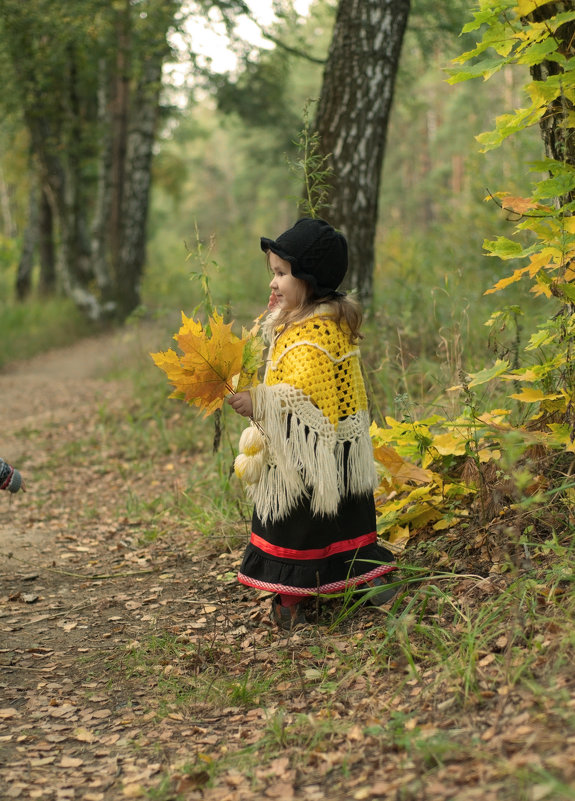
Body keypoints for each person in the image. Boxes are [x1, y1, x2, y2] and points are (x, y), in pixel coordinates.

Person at [227, 217, 397, 630]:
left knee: (301, 525)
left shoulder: (317, 331)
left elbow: (302, 393)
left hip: (311, 455)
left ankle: (293, 596)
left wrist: (260, 401)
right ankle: (359, 581)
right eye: (273, 273)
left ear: (310, 278)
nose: (274, 283)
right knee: (337, 521)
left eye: (282, 274)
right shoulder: (301, 321)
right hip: (327, 449)